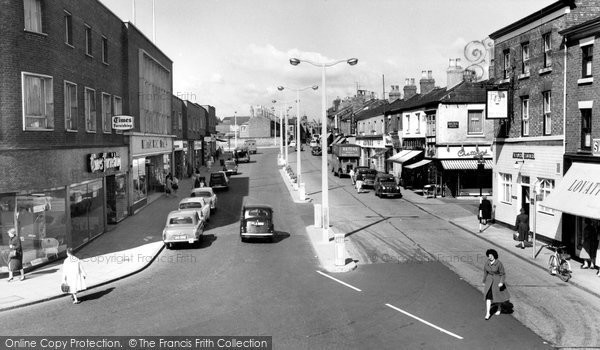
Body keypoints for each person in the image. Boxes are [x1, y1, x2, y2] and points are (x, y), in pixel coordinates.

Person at [482, 249, 510, 320]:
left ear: (494, 255)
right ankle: (488, 313)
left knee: (497, 297)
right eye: (488, 255)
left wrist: (501, 282)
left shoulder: (499, 263)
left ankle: (499, 308)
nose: (490, 257)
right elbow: (485, 272)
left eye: (491, 255)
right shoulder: (487, 263)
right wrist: (484, 281)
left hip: (497, 282)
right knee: (488, 297)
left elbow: (502, 274)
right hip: (489, 282)